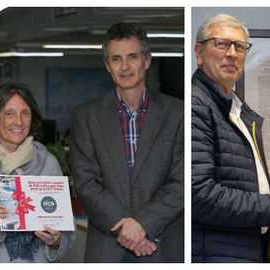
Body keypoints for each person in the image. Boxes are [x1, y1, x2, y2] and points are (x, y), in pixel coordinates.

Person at [192, 13, 270, 263]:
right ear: (199, 53)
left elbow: (241, 187)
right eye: (221, 44)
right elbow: (199, 195)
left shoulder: (236, 112)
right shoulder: (196, 105)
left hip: (244, 249)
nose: (232, 53)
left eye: (239, 46)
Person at [69, 22, 184, 263]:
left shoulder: (179, 114)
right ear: (107, 66)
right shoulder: (86, 117)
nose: (125, 67)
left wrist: (144, 224)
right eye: (116, 59)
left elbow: (182, 182)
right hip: (107, 248)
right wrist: (127, 229)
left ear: (147, 60)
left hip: (162, 247)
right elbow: (86, 184)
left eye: (132, 57)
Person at [0, 82, 74, 262]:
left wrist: (56, 241)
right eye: (9, 114)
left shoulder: (49, 164)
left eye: (25, 113)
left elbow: (67, 235)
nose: (19, 121)